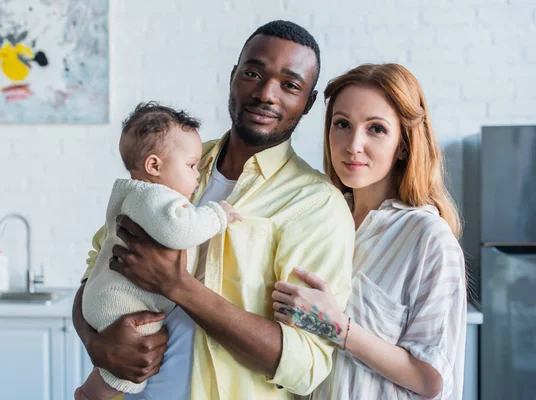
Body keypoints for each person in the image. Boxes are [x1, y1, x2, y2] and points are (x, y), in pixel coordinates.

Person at [73, 20, 356, 400]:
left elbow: (306, 365)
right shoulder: (174, 160)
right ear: (233, 77)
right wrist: (96, 343)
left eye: (290, 85)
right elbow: (95, 267)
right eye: (253, 73)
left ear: (308, 101)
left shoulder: (316, 204)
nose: (267, 94)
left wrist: (178, 286)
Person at [272, 63, 467, 399]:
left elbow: (432, 379)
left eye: (376, 129)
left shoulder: (427, 237)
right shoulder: (317, 219)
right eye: (342, 124)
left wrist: (337, 326)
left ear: (404, 144)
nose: (353, 144)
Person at [75, 102, 241, 400]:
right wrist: (219, 215)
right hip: (122, 303)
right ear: (154, 166)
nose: (198, 174)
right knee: (132, 365)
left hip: (108, 297)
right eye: (191, 166)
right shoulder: (154, 198)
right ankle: (90, 395)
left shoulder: (137, 194)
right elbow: (181, 231)